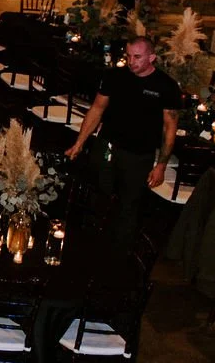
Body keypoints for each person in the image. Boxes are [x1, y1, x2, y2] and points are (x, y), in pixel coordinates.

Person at [65, 36, 182, 240]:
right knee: (98, 194)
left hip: (139, 154)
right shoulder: (114, 77)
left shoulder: (166, 86)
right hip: (107, 145)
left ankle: (118, 250)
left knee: (128, 205)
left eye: (137, 57)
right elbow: (96, 110)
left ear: (152, 57)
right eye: (128, 56)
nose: (131, 61)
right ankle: (88, 240)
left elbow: (169, 128)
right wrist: (80, 142)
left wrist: (161, 165)